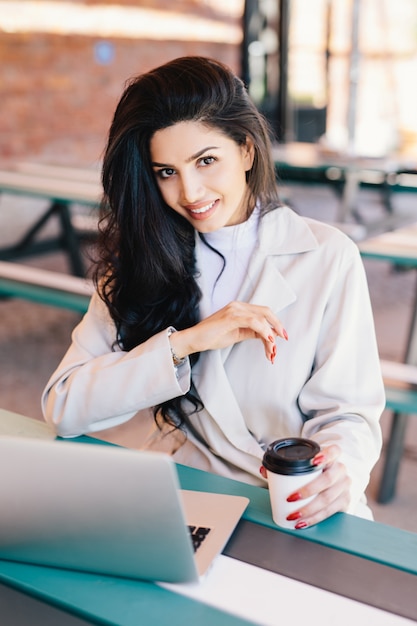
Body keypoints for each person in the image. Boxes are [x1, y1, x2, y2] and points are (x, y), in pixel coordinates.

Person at [42, 56, 385, 529]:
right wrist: (187, 342)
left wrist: (337, 469)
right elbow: (64, 406)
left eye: (206, 161)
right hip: (187, 490)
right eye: (166, 171)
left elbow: (348, 412)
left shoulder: (327, 256)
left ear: (245, 151)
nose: (190, 191)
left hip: (297, 501)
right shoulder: (141, 261)